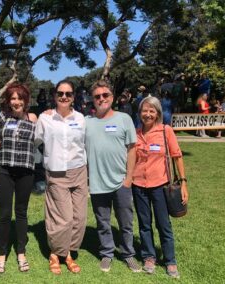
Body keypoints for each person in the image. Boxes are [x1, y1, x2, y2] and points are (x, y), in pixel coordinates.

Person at [85, 80, 141, 273]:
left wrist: (128, 178)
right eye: (97, 96)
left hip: (120, 182)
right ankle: (107, 253)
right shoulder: (87, 122)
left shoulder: (124, 118)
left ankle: (128, 254)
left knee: (126, 222)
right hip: (97, 183)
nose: (102, 99)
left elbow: (132, 149)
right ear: (92, 100)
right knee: (103, 222)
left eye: (105, 95)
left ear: (112, 97)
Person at [35, 79, 88, 275]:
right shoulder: (45, 119)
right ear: (55, 96)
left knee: (79, 218)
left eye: (68, 94)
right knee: (63, 218)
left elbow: (85, 144)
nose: (64, 97)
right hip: (56, 173)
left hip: (79, 171)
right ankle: (57, 254)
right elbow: (35, 141)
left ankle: (68, 252)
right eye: (60, 93)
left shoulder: (81, 119)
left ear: (73, 97)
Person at [132, 96, 189, 279]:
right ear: (140, 113)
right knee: (144, 224)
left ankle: (170, 261)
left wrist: (183, 183)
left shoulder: (166, 131)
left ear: (157, 113)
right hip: (138, 184)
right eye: (144, 110)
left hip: (160, 185)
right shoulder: (136, 133)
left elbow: (177, 156)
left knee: (163, 224)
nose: (148, 114)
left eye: (152, 110)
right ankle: (149, 257)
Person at [0, 83, 37, 273]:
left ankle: (21, 252)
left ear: (25, 100)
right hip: (4, 170)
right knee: (5, 213)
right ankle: (2, 254)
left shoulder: (33, 118)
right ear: (8, 101)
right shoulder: (2, 117)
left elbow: (40, 142)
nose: (15, 102)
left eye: (19, 98)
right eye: (12, 98)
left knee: (21, 212)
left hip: (25, 170)